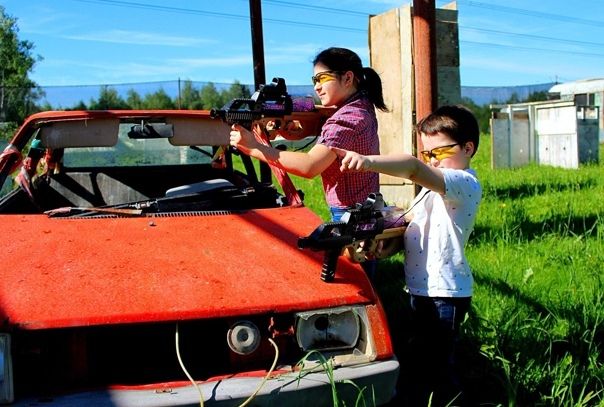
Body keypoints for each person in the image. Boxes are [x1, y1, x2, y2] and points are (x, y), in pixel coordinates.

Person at [331, 105, 482, 405]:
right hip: (421, 290)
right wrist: (384, 247)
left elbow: (413, 168)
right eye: (427, 154)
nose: (432, 161)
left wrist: (367, 161)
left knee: (438, 367)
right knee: (425, 359)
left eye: (439, 152)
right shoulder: (430, 192)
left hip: (445, 294)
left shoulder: (464, 182)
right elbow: (413, 229)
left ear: (468, 148)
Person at [229, 47, 388, 279]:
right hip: (364, 209)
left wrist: (255, 148)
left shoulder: (346, 119)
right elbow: (324, 130)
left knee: (354, 281)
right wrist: (290, 129)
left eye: (322, 78)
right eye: (314, 80)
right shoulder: (361, 106)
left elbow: (310, 166)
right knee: (364, 276)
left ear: (347, 78)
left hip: (349, 216)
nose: (316, 87)